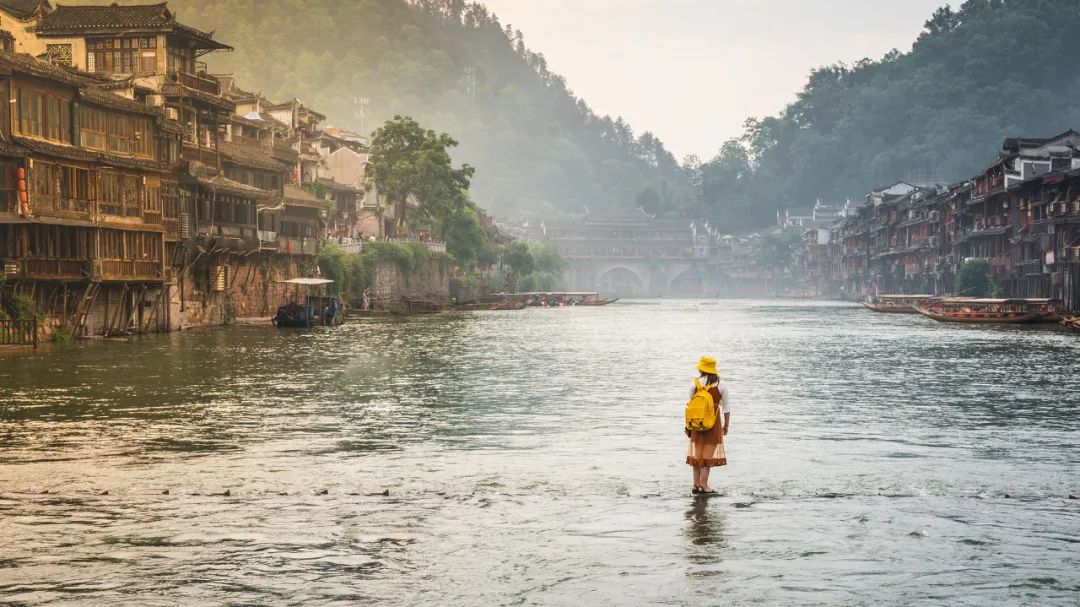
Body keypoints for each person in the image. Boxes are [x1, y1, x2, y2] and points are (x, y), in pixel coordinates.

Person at [685, 355, 731, 495]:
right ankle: (704, 486)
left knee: (697, 456)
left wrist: (687, 426)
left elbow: (690, 407)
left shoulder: (695, 384)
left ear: (701, 369)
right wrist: (726, 425)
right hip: (713, 424)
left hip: (697, 424)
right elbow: (726, 407)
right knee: (707, 457)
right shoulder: (721, 385)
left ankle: (695, 484)